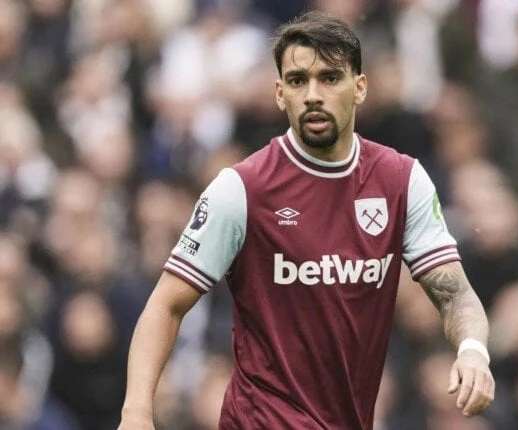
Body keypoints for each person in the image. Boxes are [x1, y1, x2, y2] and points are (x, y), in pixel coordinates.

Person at [118, 11, 494, 430]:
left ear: (360, 87)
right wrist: (136, 413)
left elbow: (454, 293)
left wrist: (473, 350)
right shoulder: (242, 189)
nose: (313, 94)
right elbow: (166, 305)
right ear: (280, 94)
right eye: (298, 81)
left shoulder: (401, 181)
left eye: (330, 78)